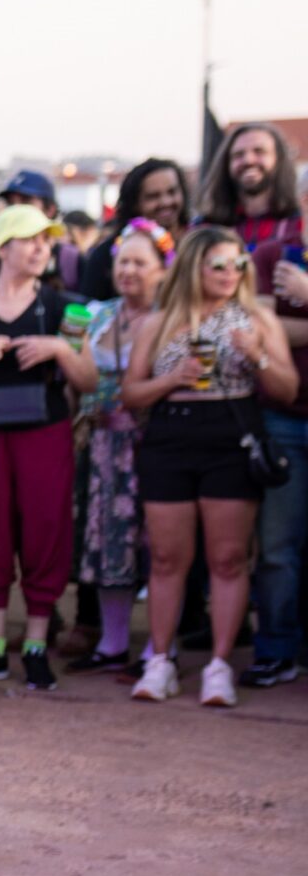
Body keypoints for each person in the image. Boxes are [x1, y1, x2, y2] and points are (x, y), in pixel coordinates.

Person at [122, 225, 299, 706]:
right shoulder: (157, 324)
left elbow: (287, 389)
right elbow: (130, 393)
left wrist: (258, 355)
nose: (230, 273)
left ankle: (219, 665)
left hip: (231, 435)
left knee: (227, 558)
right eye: (217, 264)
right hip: (170, 436)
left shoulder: (256, 317)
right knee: (165, 558)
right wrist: (173, 378)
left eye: (237, 263)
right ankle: (160, 659)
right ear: (193, 267)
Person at [0, 206, 96, 690]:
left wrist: (60, 350)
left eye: (46, 242)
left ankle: (34, 645)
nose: (40, 249)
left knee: (45, 529)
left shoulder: (64, 307)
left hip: (44, 435)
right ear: (4, 246)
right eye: (31, 239)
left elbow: (89, 380)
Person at [200, 124, 308, 688]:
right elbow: (258, 331)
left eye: (260, 151)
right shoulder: (271, 253)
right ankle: (276, 648)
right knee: (277, 547)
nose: (249, 160)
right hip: (281, 416)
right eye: (240, 152)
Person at [72, 224, 166, 674]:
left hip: (157, 444)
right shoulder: (94, 313)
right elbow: (69, 370)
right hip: (103, 444)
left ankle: (157, 648)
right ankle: (112, 644)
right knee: (109, 541)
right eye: (122, 261)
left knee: (159, 545)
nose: (128, 270)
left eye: (139, 262)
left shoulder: (172, 318)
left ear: (163, 270)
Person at [77, 158, 189, 304]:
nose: (166, 202)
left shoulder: (196, 244)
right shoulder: (107, 255)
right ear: (135, 204)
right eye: (153, 196)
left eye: (172, 192)